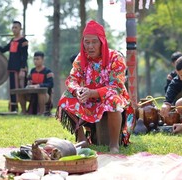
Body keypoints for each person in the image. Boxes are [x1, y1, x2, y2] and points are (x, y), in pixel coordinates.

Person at [56, 20, 135, 153]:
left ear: (102, 42)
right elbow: (72, 79)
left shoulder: (116, 58)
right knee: (66, 98)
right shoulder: (81, 58)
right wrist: (77, 90)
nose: (90, 46)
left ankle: (114, 145)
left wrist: (93, 92)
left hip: (109, 98)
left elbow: (117, 86)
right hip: (89, 100)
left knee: (113, 100)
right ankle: (82, 140)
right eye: (87, 42)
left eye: (94, 42)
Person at [0, 21, 28, 112]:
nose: (14, 29)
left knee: (21, 88)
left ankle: (24, 109)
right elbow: (3, 50)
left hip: (20, 69)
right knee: (12, 89)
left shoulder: (24, 41)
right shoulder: (12, 41)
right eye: (13, 27)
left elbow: (24, 56)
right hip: (11, 68)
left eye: (16, 27)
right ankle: (13, 108)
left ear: (20, 29)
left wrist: (22, 69)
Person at [19, 51, 54, 115]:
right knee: (21, 93)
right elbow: (28, 81)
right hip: (32, 95)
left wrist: (39, 85)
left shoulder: (48, 71)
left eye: (37, 59)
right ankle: (24, 111)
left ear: (43, 60)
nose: (35, 61)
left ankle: (41, 112)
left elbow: (51, 84)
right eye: (34, 59)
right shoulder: (32, 71)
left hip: (45, 96)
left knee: (41, 93)